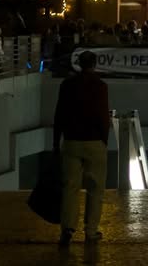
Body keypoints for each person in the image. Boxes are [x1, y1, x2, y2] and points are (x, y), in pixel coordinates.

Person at [53, 50, 111, 247]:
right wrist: (105, 139)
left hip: (71, 141)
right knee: (95, 188)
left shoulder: (67, 85)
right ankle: (91, 231)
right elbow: (103, 115)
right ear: (94, 64)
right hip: (94, 141)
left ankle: (67, 228)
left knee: (70, 187)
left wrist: (56, 141)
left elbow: (59, 114)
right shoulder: (100, 86)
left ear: (79, 64)